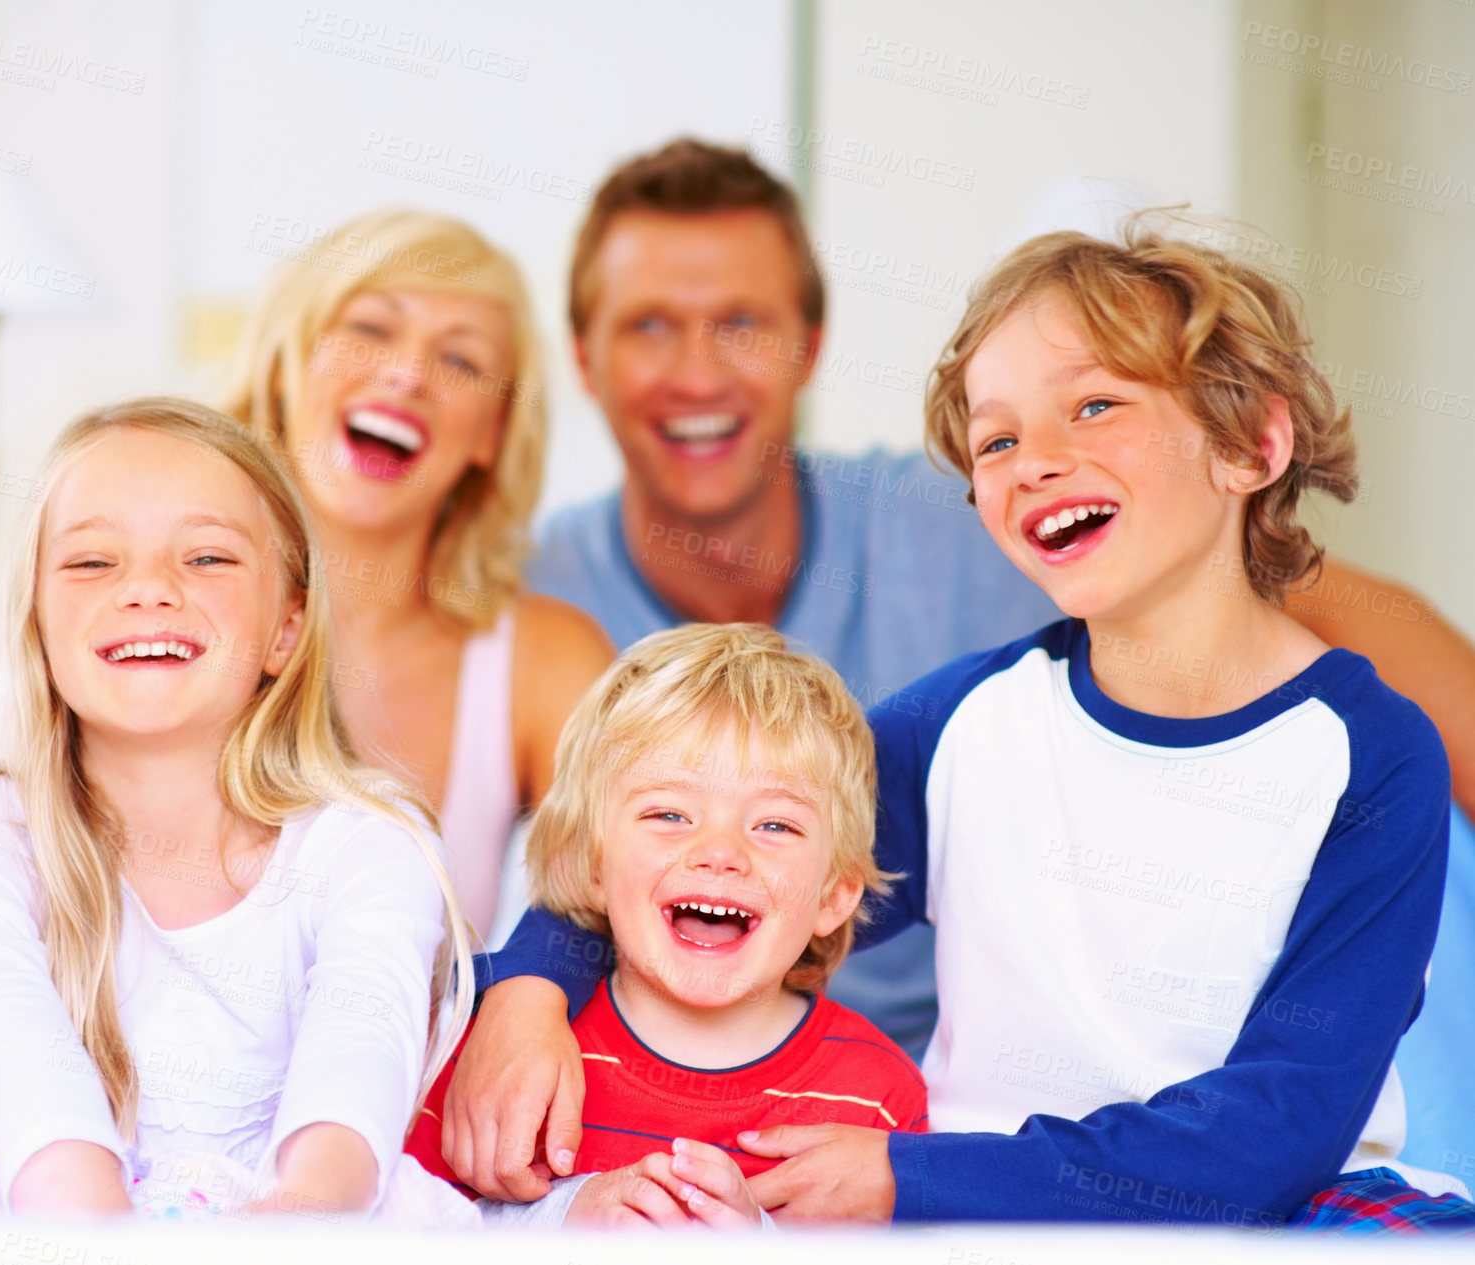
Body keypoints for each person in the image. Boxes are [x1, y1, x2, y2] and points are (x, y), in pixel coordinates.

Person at [440, 226, 1475, 1232]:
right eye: (999, 438)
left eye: (1097, 404)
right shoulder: (962, 728)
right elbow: (697, 847)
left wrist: (911, 1178)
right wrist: (528, 988)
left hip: (1281, 1209)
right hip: (979, 1221)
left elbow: (1281, 1127)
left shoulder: (1372, 756)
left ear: (1253, 444)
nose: (1035, 461)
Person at [0, 399, 478, 1223]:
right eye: (92, 562)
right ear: (38, 624)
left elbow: (355, 1087)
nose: (149, 590)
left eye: (207, 557)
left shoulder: (370, 839)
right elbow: (25, 1081)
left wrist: (290, 1226)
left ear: (286, 629)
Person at [407, 623, 927, 1227]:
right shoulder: (495, 1059)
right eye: (670, 814)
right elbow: (398, 1227)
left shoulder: (879, 1096)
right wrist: (563, 1220)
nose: (720, 851)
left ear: (835, 896)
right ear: (592, 865)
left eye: (775, 826)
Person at [224, 208, 611, 947]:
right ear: (286, 364)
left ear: (492, 435)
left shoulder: (542, 658)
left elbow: (629, 880)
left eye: (461, 361)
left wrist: (531, 986)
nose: (406, 373)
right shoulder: (162, 608)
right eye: (371, 328)